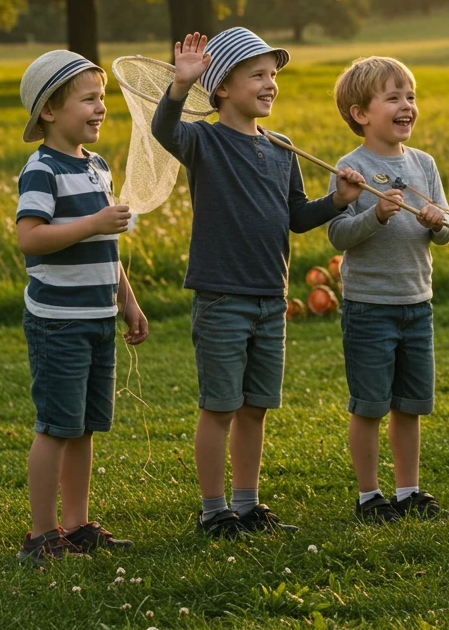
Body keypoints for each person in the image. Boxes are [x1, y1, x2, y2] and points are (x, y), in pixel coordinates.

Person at [152, 28, 365, 538]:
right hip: (223, 295)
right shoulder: (202, 139)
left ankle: (246, 505)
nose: (270, 84)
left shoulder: (280, 146)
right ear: (222, 87)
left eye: (273, 75)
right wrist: (181, 86)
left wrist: (336, 201)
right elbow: (164, 129)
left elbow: (294, 214)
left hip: (272, 296)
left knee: (255, 408)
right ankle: (213, 510)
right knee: (219, 406)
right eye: (257, 75)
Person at [16, 50, 149, 563]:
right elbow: (31, 239)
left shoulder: (97, 166)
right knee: (56, 425)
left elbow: (106, 251)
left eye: (103, 99)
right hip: (58, 325)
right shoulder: (41, 170)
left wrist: (128, 302)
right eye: (89, 99)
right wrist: (93, 223)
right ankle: (41, 534)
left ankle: (76, 524)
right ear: (50, 111)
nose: (101, 108)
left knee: (85, 426)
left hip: (98, 318)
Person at [327, 56, 449, 523]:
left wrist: (439, 222)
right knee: (371, 405)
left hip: (416, 304)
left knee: (410, 405)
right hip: (369, 308)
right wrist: (375, 216)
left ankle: (409, 491)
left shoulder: (424, 164)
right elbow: (338, 235)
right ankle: (369, 496)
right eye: (394, 97)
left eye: (411, 96)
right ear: (361, 113)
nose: (407, 106)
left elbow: (443, 234)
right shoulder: (350, 167)